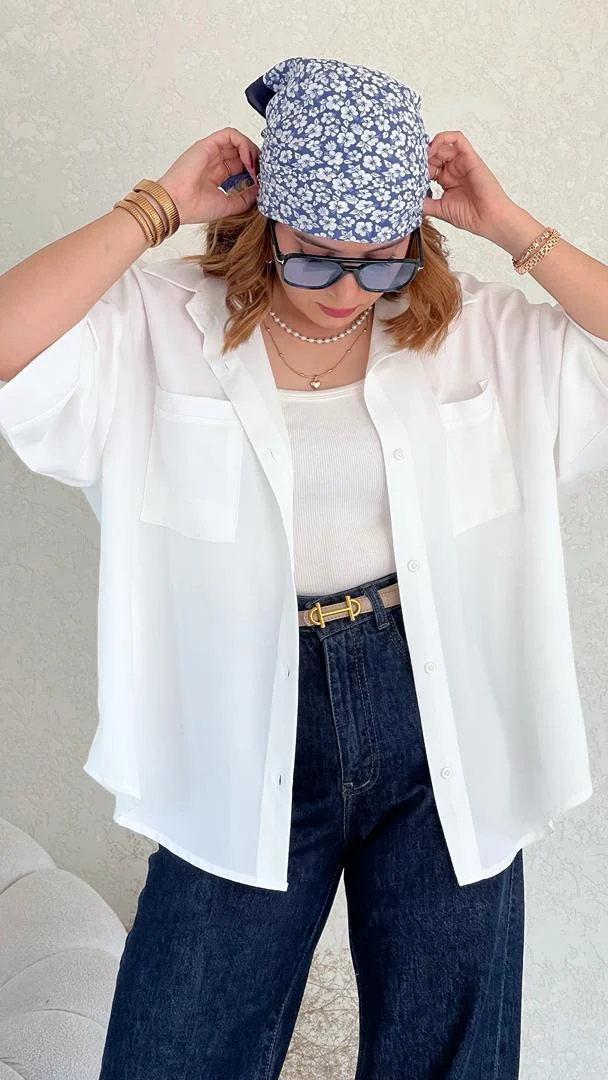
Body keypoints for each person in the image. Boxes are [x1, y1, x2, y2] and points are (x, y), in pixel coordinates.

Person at [0, 55, 607, 1080]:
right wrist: (155, 206)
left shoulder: (479, 336)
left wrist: (510, 226)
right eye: (317, 260)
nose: (350, 292)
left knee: (449, 1058)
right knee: (174, 1051)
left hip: (441, 713)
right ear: (264, 224)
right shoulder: (153, 327)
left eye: (382, 262)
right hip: (241, 717)